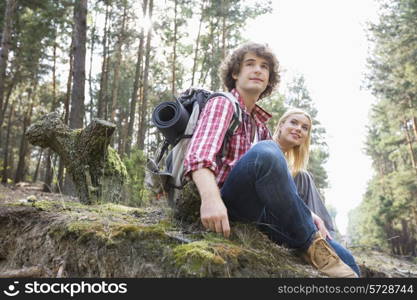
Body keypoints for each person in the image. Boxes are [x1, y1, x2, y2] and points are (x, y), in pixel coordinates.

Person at [183, 42, 358, 277]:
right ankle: (309, 242)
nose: (258, 70)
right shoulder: (223, 103)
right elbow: (199, 156)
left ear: (269, 79)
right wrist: (211, 199)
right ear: (235, 73)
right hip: (229, 202)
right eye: (250, 64)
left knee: (348, 263)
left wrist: (308, 213)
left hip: (260, 213)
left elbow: (278, 185)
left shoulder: (260, 126)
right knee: (267, 151)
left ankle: (312, 241)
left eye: (264, 67)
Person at [273, 108, 360, 276]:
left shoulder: (290, 165)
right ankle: (319, 239)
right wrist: (309, 214)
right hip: (271, 220)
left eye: (305, 128)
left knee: (303, 175)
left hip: (294, 221)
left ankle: (325, 236)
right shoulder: (264, 150)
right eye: (294, 122)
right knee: (347, 263)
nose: (299, 129)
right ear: (281, 124)